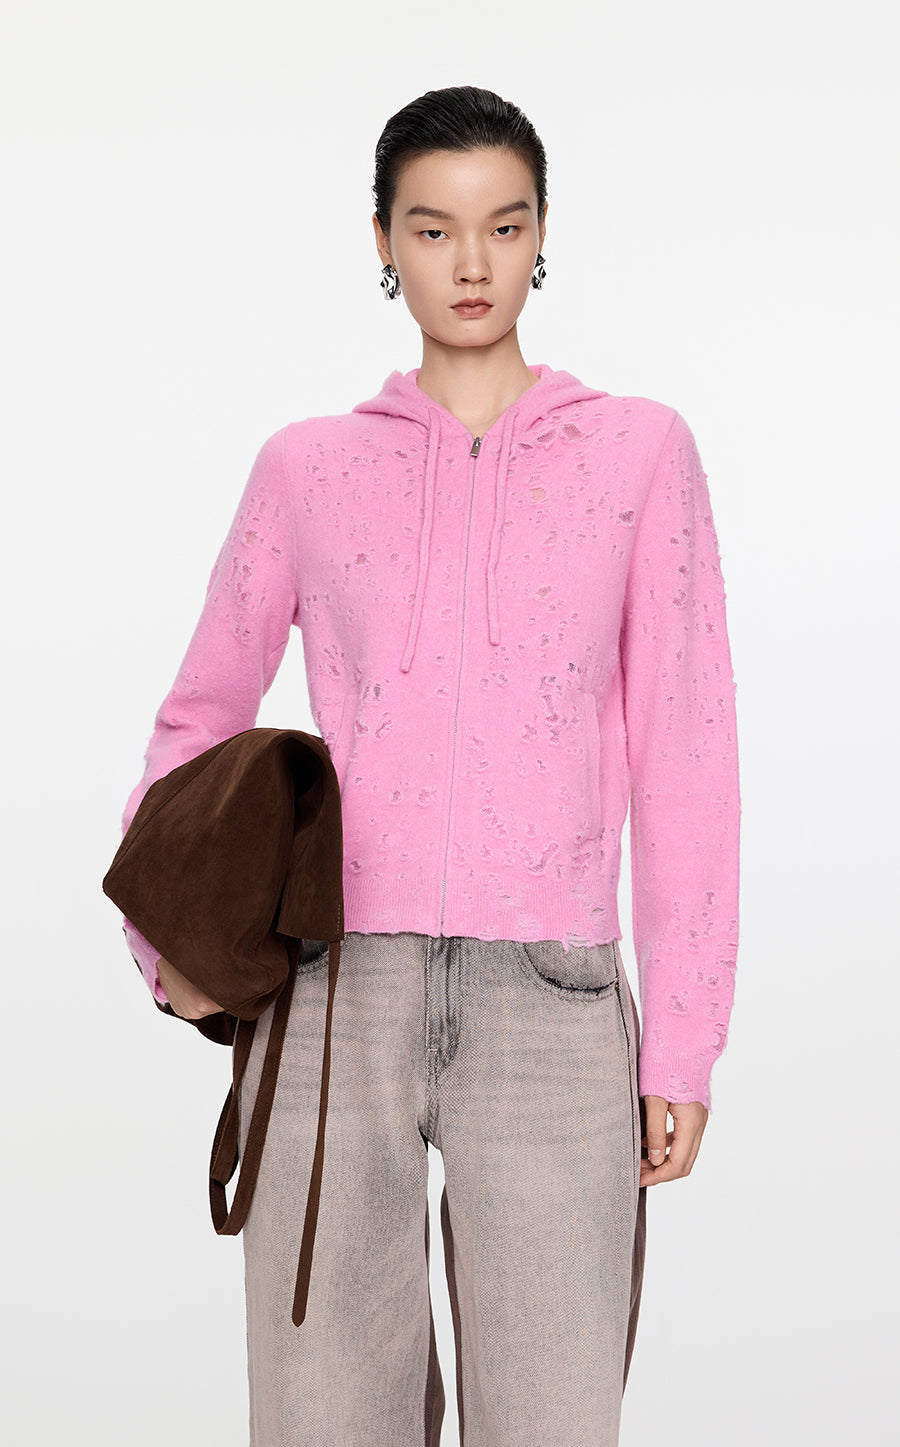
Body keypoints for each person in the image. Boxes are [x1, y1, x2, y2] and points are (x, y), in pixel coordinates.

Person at [119, 85, 740, 1447]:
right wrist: (168, 942)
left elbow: (687, 753)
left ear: (542, 237)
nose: (472, 264)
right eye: (435, 228)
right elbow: (198, 717)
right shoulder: (307, 468)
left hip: (556, 1000)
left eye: (504, 227)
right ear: (385, 242)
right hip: (334, 993)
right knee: (323, 1418)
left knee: (555, 1421)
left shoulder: (640, 452)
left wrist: (686, 1038)